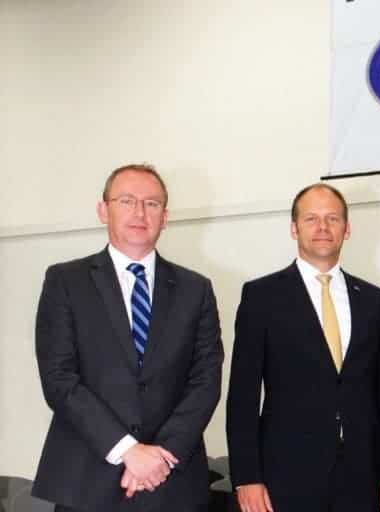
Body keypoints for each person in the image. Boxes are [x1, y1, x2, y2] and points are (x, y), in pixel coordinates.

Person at [32, 164, 224, 511]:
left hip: (172, 483)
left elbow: (205, 382)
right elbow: (59, 378)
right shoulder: (65, 282)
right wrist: (127, 450)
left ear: (165, 217)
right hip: (86, 481)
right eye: (126, 200)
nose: (139, 212)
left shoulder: (196, 290)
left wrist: (159, 458)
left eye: (152, 203)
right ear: (103, 209)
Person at [226, 183, 380, 512]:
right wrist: (246, 476)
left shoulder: (373, 300)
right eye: (311, 219)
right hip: (285, 476)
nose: (322, 227)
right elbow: (242, 395)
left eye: (332, 218)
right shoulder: (261, 297)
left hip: (362, 476)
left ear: (347, 229)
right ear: (294, 228)